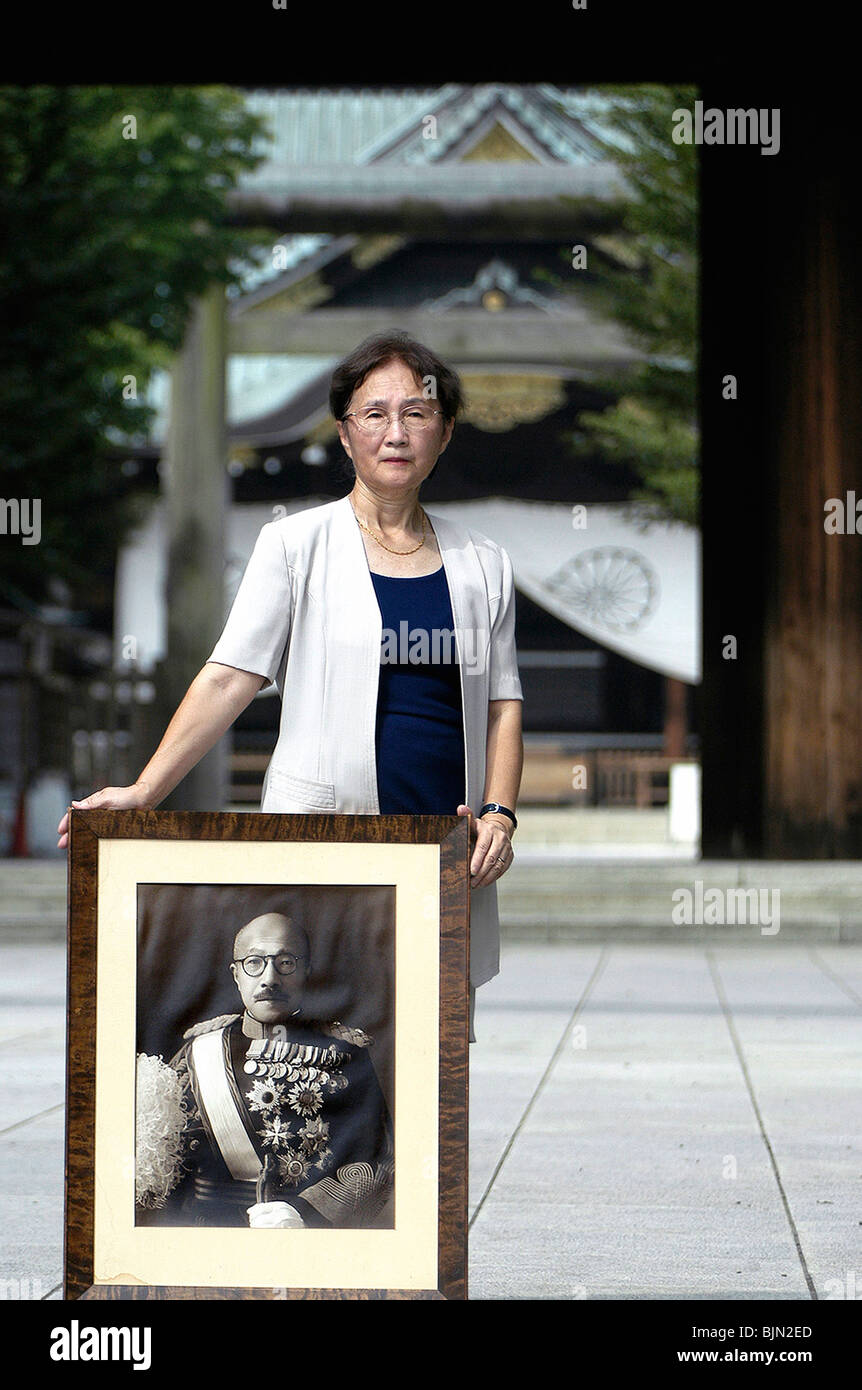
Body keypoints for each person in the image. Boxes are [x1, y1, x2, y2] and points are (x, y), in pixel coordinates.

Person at [58, 331, 524, 1028]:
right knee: (320, 1047)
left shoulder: (482, 561)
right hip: (326, 833)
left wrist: (500, 812)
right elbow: (228, 678)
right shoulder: (296, 546)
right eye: (374, 414)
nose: (395, 431)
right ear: (344, 434)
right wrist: (144, 790)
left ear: (445, 431)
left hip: (442, 841)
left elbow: (502, 704)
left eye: (417, 413)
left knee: (428, 1056)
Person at [135, 911, 394, 1229]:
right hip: (208, 1229)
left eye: (286, 963)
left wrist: (305, 1212)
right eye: (254, 963)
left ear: (306, 971)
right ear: (236, 974)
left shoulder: (344, 1054)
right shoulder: (198, 1052)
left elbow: (379, 1157)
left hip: (304, 1230)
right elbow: (162, 1160)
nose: (270, 978)